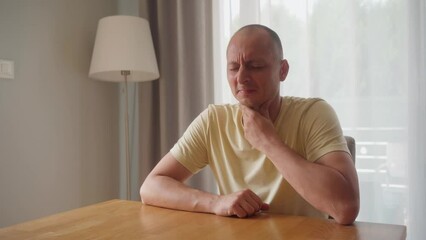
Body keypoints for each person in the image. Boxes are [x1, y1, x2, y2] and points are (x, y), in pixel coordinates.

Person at [140, 24, 360, 225]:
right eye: (234, 67)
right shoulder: (214, 120)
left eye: (255, 66)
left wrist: (269, 142)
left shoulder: (314, 114)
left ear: (282, 70)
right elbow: (151, 187)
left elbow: (346, 208)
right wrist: (216, 203)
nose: (242, 77)